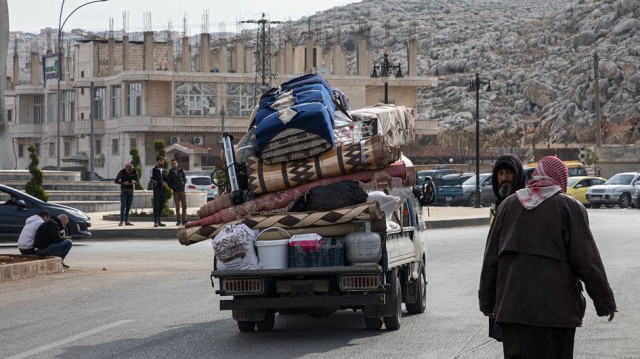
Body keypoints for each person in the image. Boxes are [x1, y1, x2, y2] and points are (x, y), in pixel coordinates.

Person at [479, 156, 617, 359]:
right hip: (556, 315)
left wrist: (487, 302)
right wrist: (604, 301)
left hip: (513, 313)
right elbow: (587, 261)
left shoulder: (507, 206)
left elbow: (491, 260)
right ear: (560, 178)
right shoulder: (569, 207)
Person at [489, 154, 526, 223]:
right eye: (501, 173)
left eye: (508, 172)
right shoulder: (495, 207)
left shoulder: (527, 205)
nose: (504, 178)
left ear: (518, 175)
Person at [167, 158, 187, 226]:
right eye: (172, 164)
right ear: (171, 165)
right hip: (175, 192)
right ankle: (178, 221)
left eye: (174, 163)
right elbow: (168, 183)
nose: (173, 165)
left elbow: (185, 179)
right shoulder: (170, 173)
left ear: (177, 163)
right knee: (177, 207)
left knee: (184, 206)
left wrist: (183, 185)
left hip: (182, 191)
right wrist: (173, 188)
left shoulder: (181, 170)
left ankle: (183, 220)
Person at [151, 156, 168, 227]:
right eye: (161, 161)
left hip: (163, 190)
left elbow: (166, 179)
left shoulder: (164, 170)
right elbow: (151, 179)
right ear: (157, 162)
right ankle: (155, 221)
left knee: (161, 205)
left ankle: (159, 220)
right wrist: (159, 183)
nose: (162, 162)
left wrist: (166, 183)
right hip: (157, 189)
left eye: (163, 161)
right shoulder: (153, 169)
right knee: (156, 205)